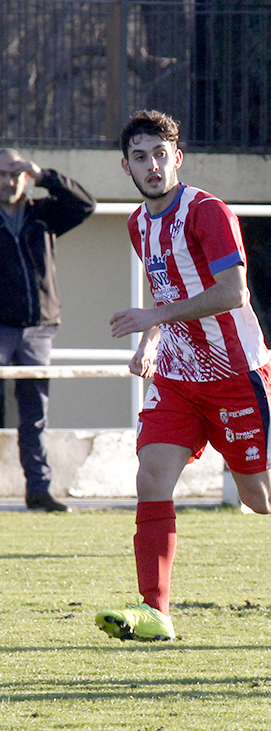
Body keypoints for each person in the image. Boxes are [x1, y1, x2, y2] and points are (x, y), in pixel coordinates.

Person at [94, 110, 271, 643]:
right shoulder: (138, 224)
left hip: (235, 374)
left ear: (178, 158)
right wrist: (151, 341)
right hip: (178, 376)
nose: (152, 166)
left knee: (262, 498)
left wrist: (154, 318)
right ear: (126, 166)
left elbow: (234, 292)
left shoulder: (208, 212)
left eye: (161, 154)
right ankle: (155, 611)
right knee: (151, 475)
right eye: (140, 157)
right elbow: (166, 291)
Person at [0, 149, 96, 512]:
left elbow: (85, 205)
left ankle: (38, 490)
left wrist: (45, 176)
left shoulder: (42, 214)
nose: (8, 181)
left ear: (25, 177)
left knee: (34, 415)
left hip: (39, 329)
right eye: (2, 174)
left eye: (15, 173)